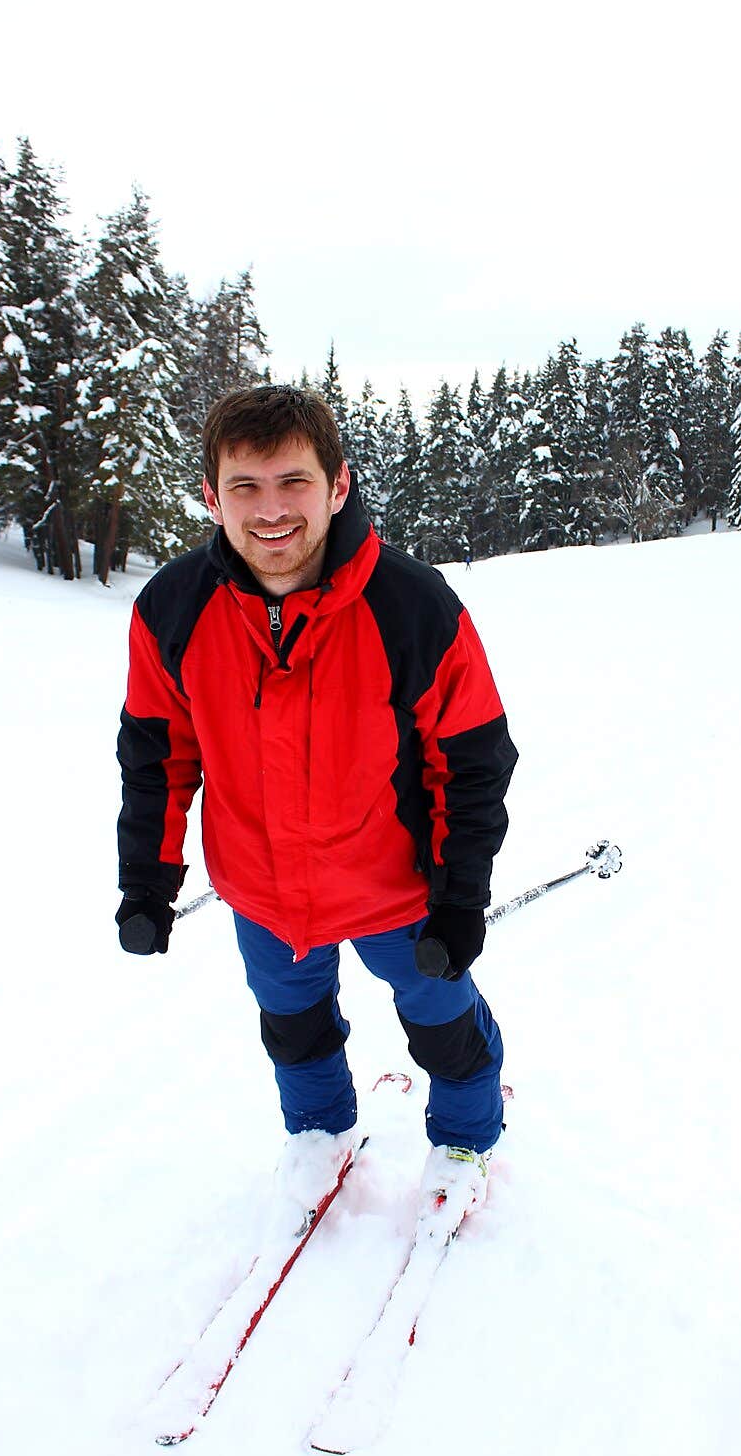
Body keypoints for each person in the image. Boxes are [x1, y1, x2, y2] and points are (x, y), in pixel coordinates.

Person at [115, 385, 518, 1235]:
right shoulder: (172, 608)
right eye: (245, 487)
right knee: (293, 1028)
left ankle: (467, 1142)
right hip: (261, 894)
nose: (270, 512)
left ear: (337, 485)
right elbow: (158, 755)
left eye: (292, 482)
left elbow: (472, 760)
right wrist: (147, 883)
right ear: (211, 495)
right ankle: (320, 1135)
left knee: (442, 1024)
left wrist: (459, 897)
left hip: (395, 892)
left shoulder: (412, 605)